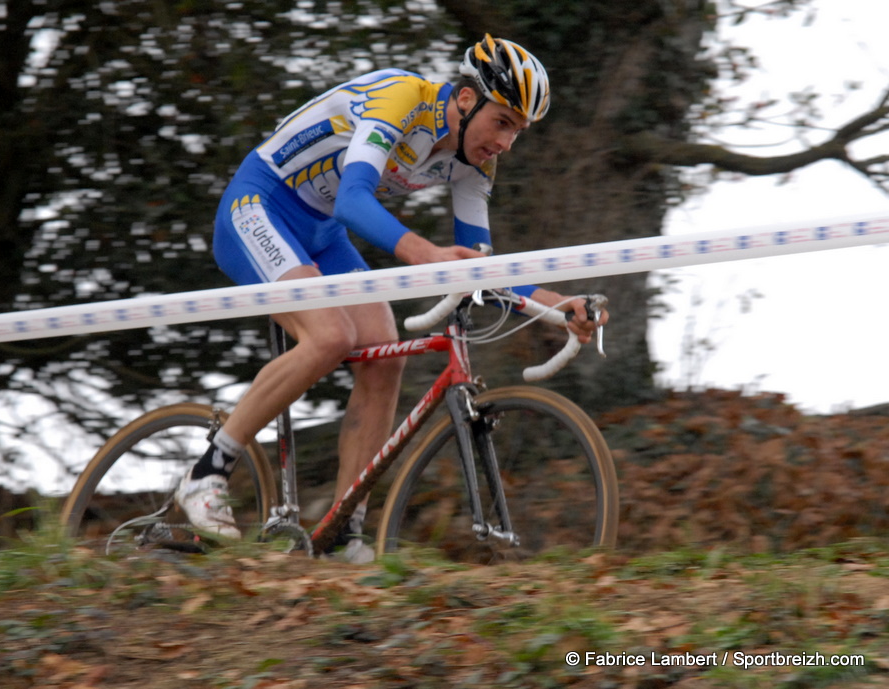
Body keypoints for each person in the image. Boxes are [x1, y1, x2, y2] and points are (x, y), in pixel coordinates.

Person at [177, 34, 608, 559]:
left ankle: (342, 529)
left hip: (320, 229)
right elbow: (356, 199)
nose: (506, 143)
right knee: (331, 335)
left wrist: (555, 306)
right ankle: (207, 471)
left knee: (383, 353)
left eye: (518, 131)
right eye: (503, 122)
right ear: (467, 99)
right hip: (261, 204)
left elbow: (478, 269)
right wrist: (424, 253)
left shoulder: (475, 164)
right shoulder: (401, 99)